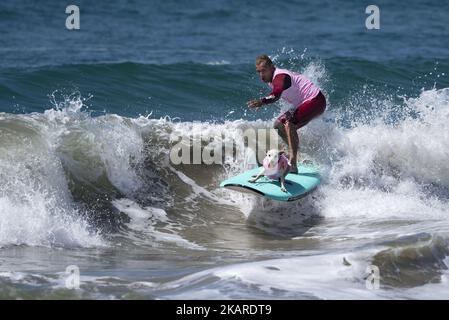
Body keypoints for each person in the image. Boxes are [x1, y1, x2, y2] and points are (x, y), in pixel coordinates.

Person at [247, 55, 326, 173]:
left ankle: (293, 164)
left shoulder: (280, 77)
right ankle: (297, 154)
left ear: (271, 67)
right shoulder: (274, 78)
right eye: (259, 72)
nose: (261, 75)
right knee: (278, 124)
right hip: (306, 102)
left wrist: (262, 101)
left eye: (264, 71)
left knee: (289, 123)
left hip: (315, 100)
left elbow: (276, 94)